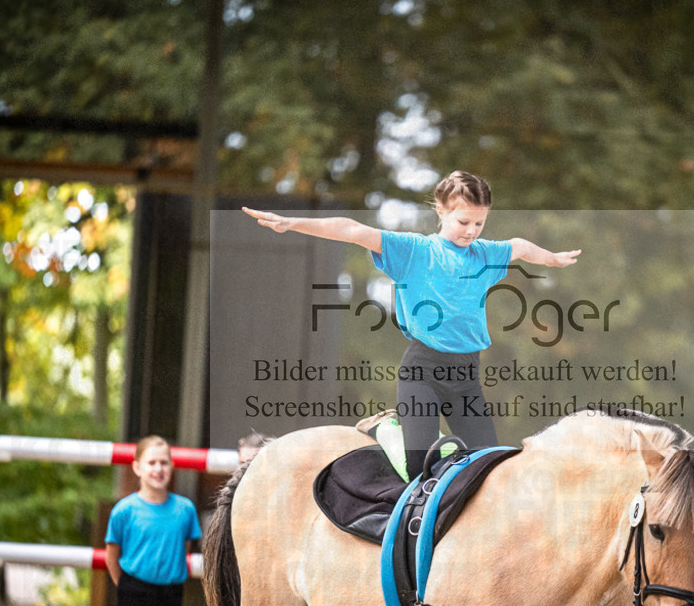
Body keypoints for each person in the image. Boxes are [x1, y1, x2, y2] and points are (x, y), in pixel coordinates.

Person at [243, 170, 581, 479]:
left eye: (479, 223)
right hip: (423, 372)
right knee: (419, 468)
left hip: (466, 376)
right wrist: (293, 223)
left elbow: (519, 247)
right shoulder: (414, 251)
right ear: (441, 211)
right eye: (464, 221)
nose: (471, 231)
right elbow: (353, 230)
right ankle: (387, 429)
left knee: (489, 466)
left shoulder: (484, 255)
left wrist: (550, 258)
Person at [105, 436, 201, 606]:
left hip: (170, 596)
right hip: (133, 593)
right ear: (137, 467)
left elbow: (184, 547)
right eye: (151, 463)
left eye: (164, 463)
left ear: (172, 466)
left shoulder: (185, 510)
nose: (158, 469)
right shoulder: (124, 511)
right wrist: (126, 587)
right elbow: (111, 555)